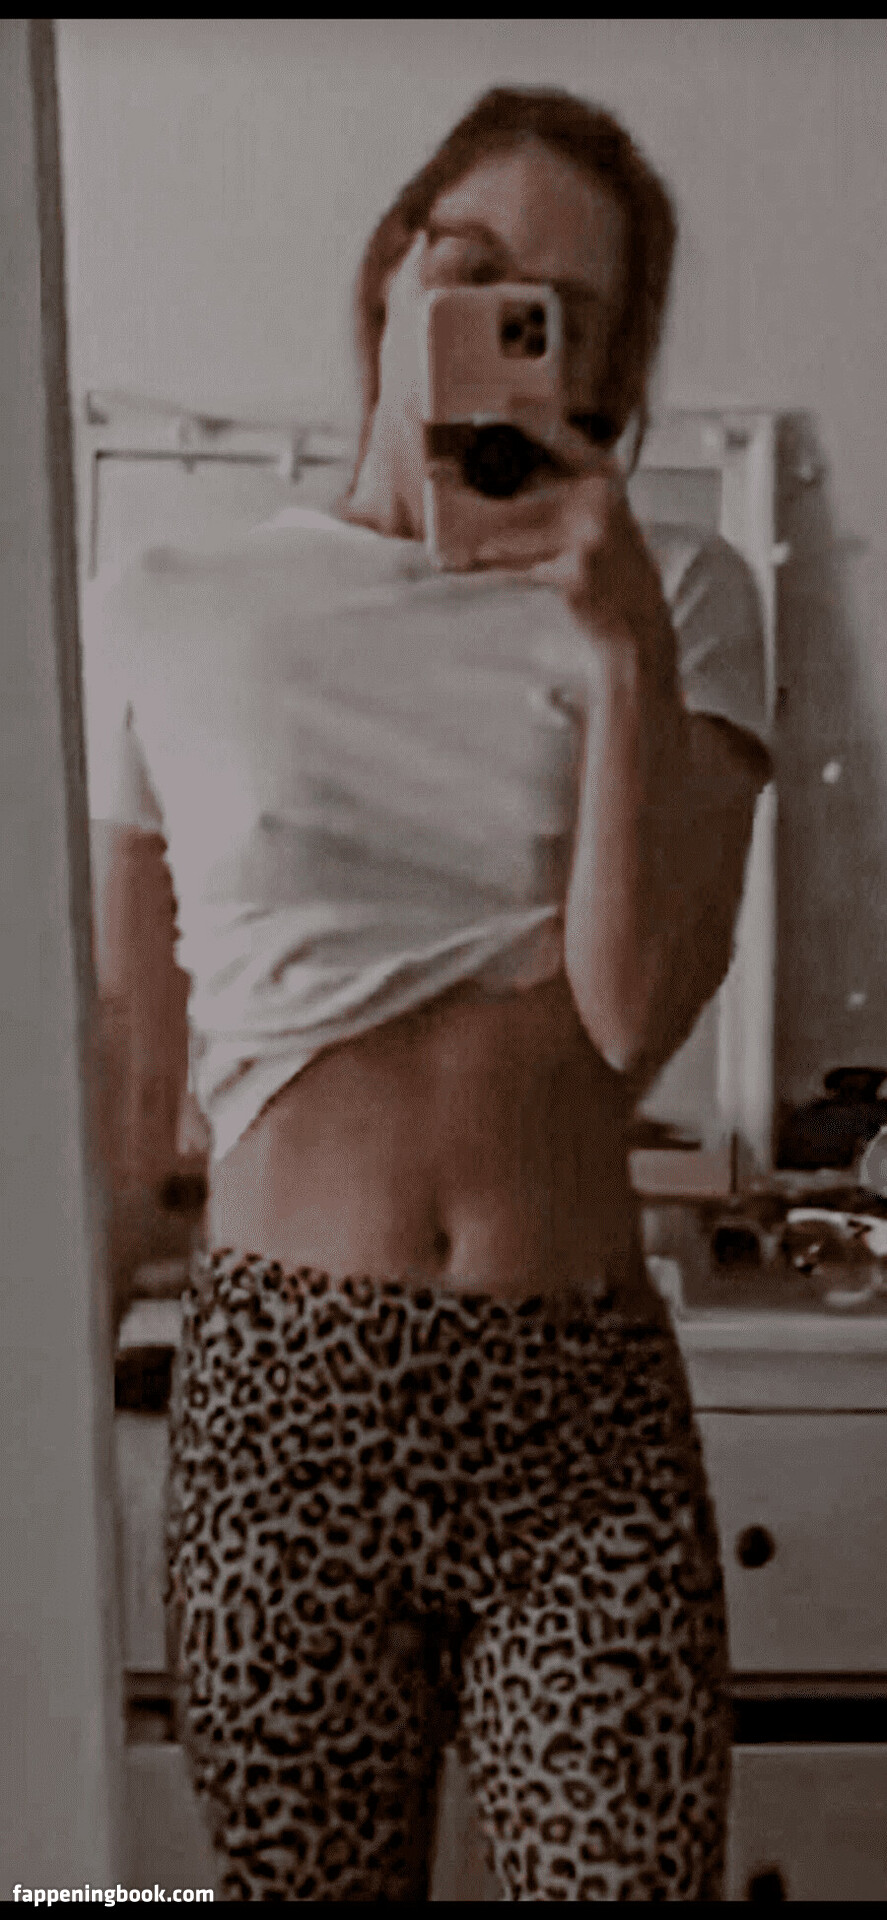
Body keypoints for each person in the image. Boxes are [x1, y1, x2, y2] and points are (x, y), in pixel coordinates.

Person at [83, 87, 772, 1902]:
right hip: (278, 1401)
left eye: (564, 311)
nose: (496, 316)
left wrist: (620, 647)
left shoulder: (688, 594)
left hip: (576, 1405)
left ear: (602, 367)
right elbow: (127, 1073)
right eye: (471, 262)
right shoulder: (165, 600)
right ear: (392, 268)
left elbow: (634, 1012)